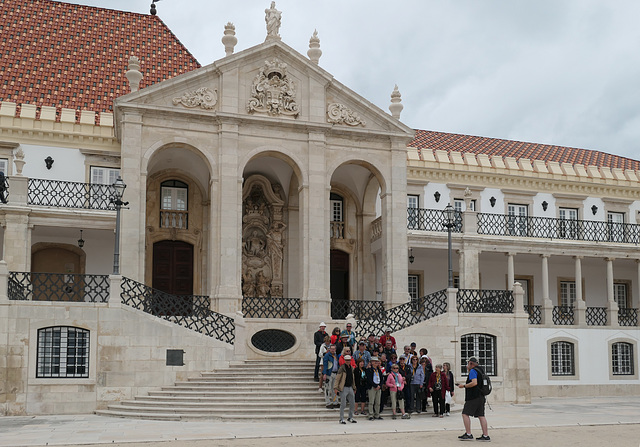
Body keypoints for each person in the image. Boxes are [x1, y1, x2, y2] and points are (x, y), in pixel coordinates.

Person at [457, 357, 490, 441]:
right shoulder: (481, 370)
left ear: (471, 363)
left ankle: (468, 434)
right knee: (481, 415)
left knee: (465, 414)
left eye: (468, 363)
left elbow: (474, 382)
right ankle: (486, 435)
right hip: (481, 396)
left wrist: (463, 386)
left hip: (473, 397)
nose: (467, 365)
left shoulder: (473, 371)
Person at [334, 355, 357, 424]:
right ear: (344, 360)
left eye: (349, 360)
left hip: (350, 387)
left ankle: (350, 417)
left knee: (352, 403)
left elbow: (353, 379)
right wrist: (336, 388)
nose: (348, 361)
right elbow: (337, 378)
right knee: (343, 404)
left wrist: (354, 387)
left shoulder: (352, 368)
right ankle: (341, 418)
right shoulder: (342, 368)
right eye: (346, 360)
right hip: (343, 388)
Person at [322, 344, 339, 409]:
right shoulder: (327, 355)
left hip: (335, 373)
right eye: (331, 349)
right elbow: (325, 365)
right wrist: (325, 374)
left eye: (334, 349)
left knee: (334, 388)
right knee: (327, 389)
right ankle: (328, 402)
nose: (333, 350)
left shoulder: (335, 355)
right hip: (329, 373)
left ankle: (335, 402)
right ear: (329, 349)